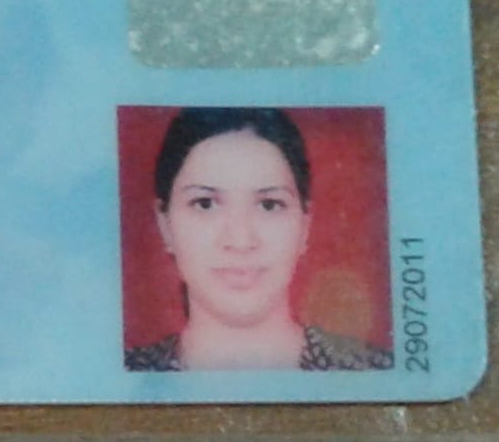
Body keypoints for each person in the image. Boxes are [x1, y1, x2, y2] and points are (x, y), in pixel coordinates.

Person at [125, 107, 392, 371]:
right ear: (165, 225)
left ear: (304, 227)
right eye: (205, 204)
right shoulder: (126, 376)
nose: (241, 241)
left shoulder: (376, 372)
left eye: (269, 205)